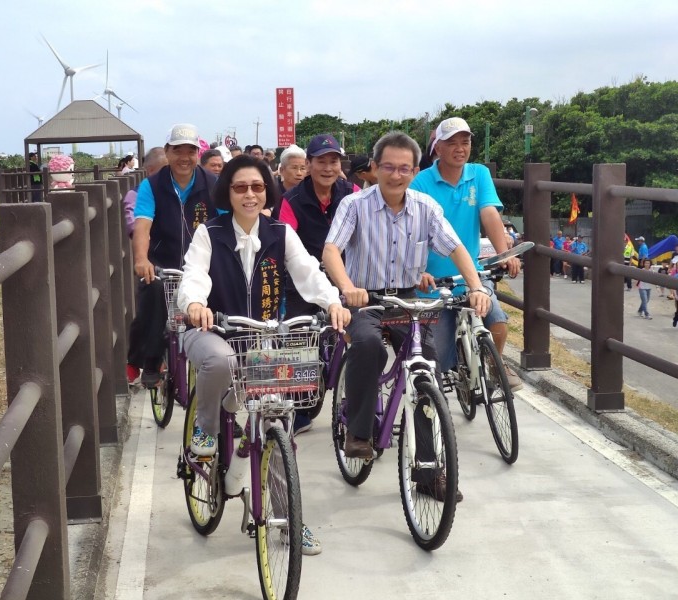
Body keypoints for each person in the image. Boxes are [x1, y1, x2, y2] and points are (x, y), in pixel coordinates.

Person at [177, 154, 350, 556]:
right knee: (220, 361)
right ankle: (205, 430)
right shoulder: (210, 232)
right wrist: (195, 304)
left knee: (274, 419)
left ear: (267, 191)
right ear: (229, 193)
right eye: (240, 187)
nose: (250, 194)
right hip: (211, 330)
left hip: (262, 338)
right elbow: (194, 275)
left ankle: (290, 519)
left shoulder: (280, 233)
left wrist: (333, 303)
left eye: (257, 187)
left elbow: (308, 272)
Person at [322, 131, 490, 503]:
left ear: (415, 170)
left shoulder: (426, 208)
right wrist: (348, 286)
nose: (395, 175)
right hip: (364, 297)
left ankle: (428, 472)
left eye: (404, 168)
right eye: (387, 167)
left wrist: (476, 287)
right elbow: (332, 249)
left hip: (407, 299)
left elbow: (456, 247)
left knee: (425, 367)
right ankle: (359, 432)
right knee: (367, 345)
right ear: (374, 169)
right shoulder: (355, 205)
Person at [409, 117, 523, 392]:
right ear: (437, 148)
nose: (460, 148)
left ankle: (494, 364)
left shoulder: (479, 174)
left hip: (469, 273)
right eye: (452, 143)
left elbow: (489, 213)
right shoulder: (421, 183)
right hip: (434, 282)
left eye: (465, 141)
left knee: (496, 320)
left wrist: (503, 253)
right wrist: (415, 270)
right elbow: (412, 229)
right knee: (439, 357)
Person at [126, 123, 219, 386]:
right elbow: (142, 224)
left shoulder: (212, 184)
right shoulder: (151, 186)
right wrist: (142, 260)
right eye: (177, 150)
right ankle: (152, 361)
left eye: (190, 151)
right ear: (167, 152)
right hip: (163, 261)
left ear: (198, 154)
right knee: (152, 293)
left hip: (203, 263)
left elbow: (227, 223)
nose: (184, 157)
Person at [278, 134, 359, 318]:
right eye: (321, 161)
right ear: (308, 164)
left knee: (359, 336)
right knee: (301, 341)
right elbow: (286, 244)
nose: (328, 168)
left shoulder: (352, 192)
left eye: (334, 161)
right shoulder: (291, 200)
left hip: (345, 281)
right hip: (305, 284)